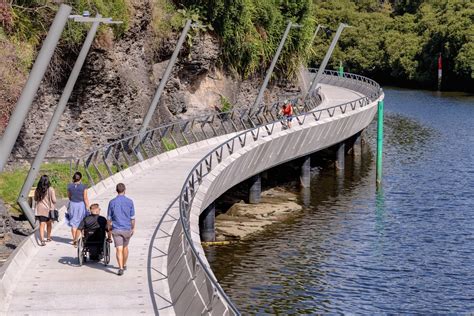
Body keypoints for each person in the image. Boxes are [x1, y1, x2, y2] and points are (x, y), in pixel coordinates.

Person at [107, 183, 135, 276]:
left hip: (116, 228)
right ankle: (124, 264)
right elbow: (132, 218)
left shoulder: (112, 202)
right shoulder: (130, 202)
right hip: (127, 228)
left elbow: (109, 218)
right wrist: (133, 228)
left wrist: (109, 229)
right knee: (125, 247)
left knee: (119, 249)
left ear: (116, 190)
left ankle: (120, 268)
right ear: (125, 190)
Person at [67, 172, 89, 246]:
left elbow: (69, 196)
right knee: (81, 221)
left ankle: (74, 240)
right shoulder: (84, 186)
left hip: (73, 204)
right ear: (81, 178)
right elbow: (85, 198)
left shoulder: (69, 186)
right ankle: (82, 238)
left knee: (73, 222)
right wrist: (87, 207)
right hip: (81, 205)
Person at [34, 175, 56, 246]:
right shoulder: (51, 189)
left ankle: (42, 240)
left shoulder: (37, 189)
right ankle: (49, 237)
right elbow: (54, 200)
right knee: (49, 224)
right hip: (48, 210)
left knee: (42, 225)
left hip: (40, 210)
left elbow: (35, 199)